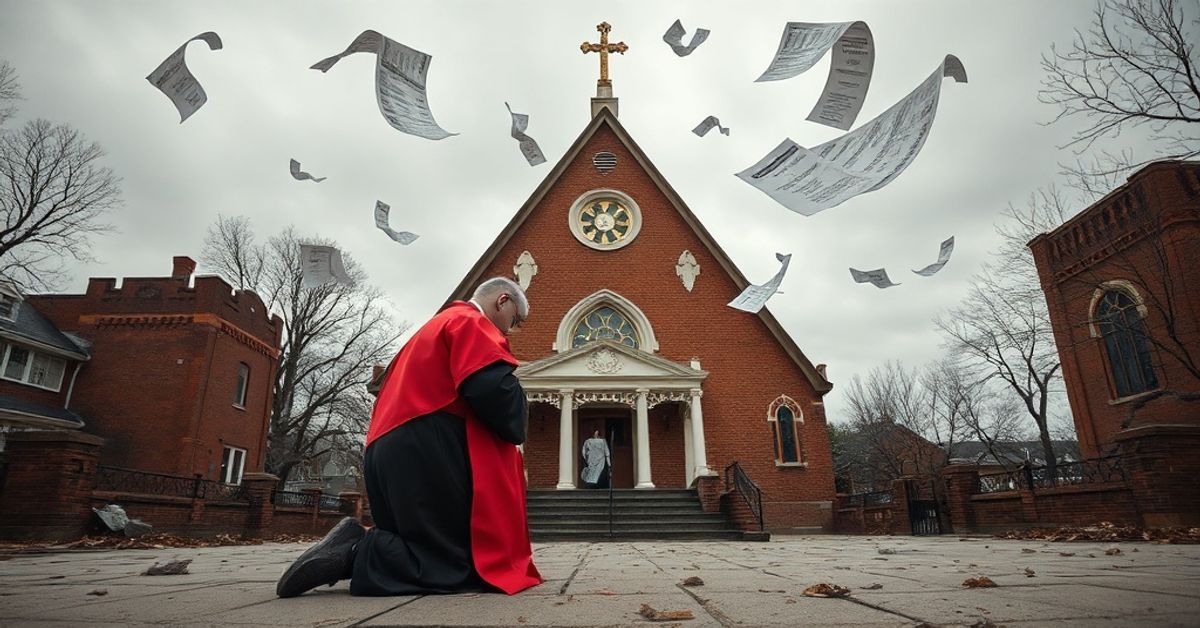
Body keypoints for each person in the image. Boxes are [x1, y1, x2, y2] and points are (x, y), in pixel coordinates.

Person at [276, 277, 543, 598]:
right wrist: (519, 398)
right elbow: (492, 391)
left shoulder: (435, 326)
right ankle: (357, 550)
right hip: (427, 443)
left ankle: (354, 544)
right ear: (502, 301)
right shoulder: (470, 321)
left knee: (422, 542)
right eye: (513, 321)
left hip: (388, 445)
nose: (508, 332)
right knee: (457, 560)